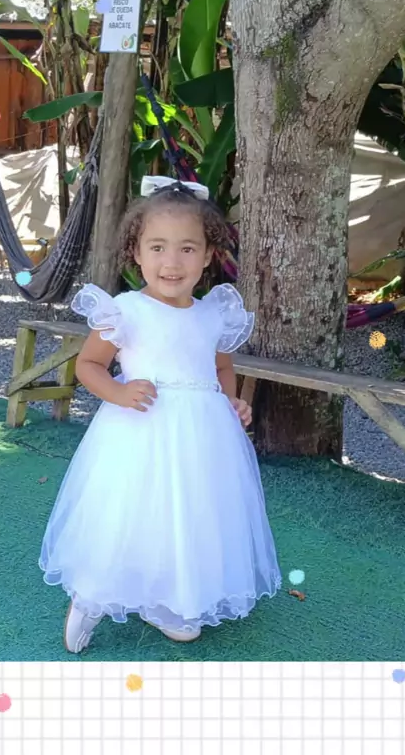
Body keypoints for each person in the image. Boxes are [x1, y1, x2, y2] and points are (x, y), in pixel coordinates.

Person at [39, 176, 281, 653]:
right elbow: (88, 365)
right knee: (129, 512)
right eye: (158, 247)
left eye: (188, 249)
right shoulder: (126, 310)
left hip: (203, 438)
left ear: (208, 255)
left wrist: (231, 402)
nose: (172, 262)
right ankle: (92, 595)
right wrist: (118, 391)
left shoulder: (213, 313)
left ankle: (170, 599)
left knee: (191, 516)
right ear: (136, 252)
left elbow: (220, 368)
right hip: (140, 431)